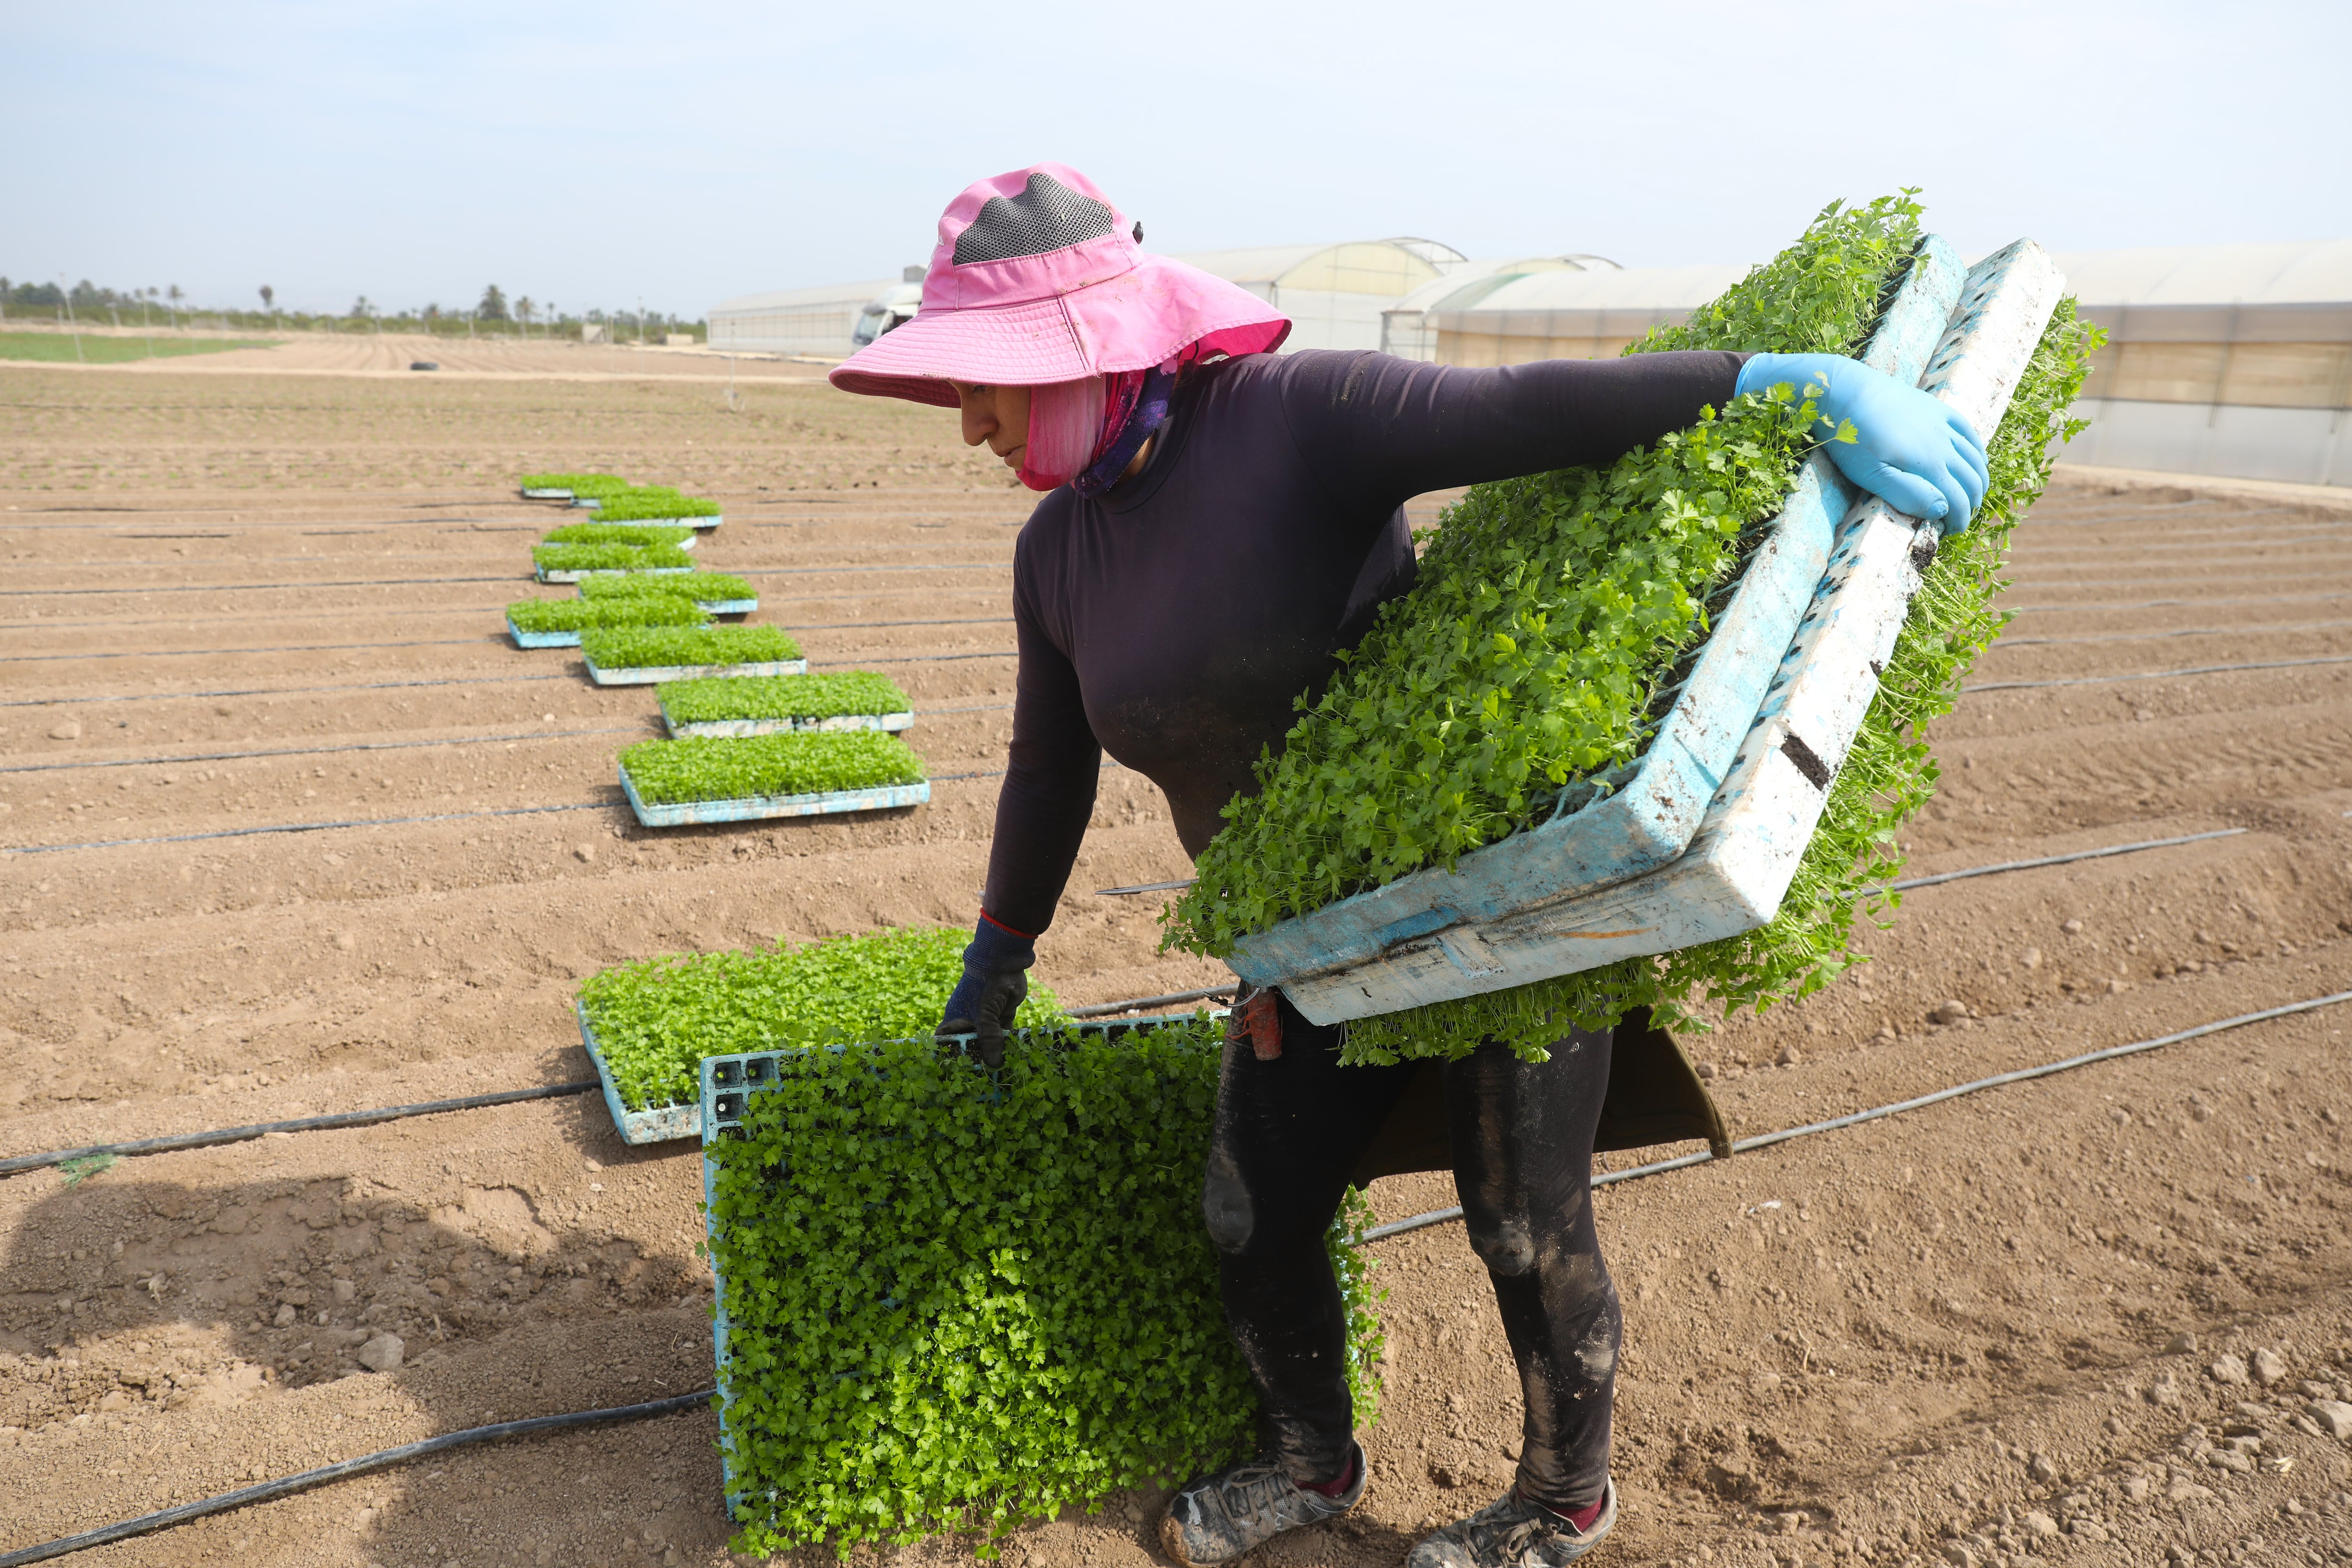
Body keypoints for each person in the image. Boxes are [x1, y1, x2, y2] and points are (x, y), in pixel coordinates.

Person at [829, 164, 1986, 1568]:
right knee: (1248, 1214)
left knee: (1519, 1224)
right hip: (1304, 941)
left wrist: (1791, 385)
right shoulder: (1055, 553)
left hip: (1499, 898)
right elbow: (1047, 769)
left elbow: (1526, 414)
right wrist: (993, 963)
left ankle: (1566, 1500)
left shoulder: (1291, 422)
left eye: (982, 386)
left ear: (1083, 345)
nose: (970, 427)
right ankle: (1310, 1465)